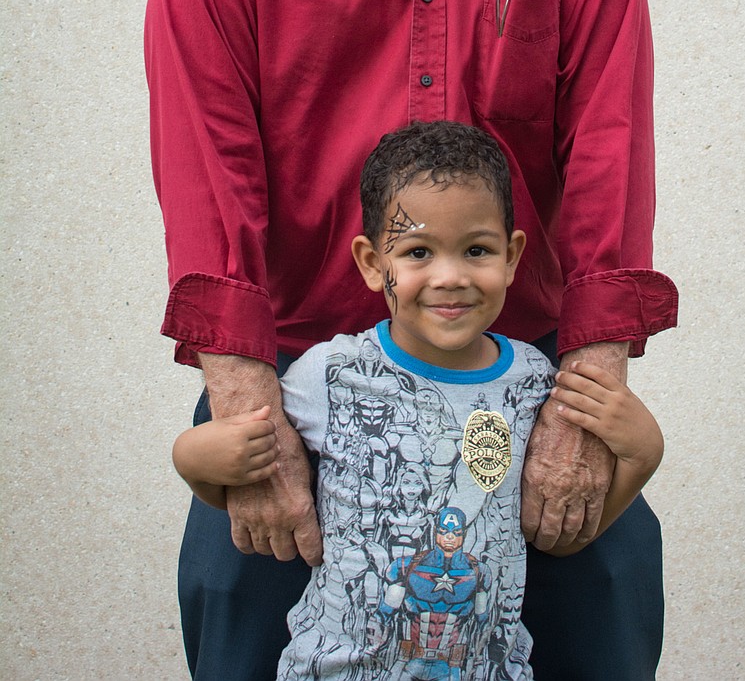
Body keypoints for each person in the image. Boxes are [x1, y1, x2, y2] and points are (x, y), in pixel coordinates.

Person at [145, 0, 678, 681]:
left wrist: (587, 401)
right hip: (290, 373)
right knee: (245, 630)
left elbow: (610, 146)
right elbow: (207, 146)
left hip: (513, 373)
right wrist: (245, 400)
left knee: (607, 609)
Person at [171, 122, 665, 680]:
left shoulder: (532, 385)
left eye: (476, 250)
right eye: (418, 252)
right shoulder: (330, 376)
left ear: (512, 256)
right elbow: (241, 474)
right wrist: (192, 459)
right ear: (372, 263)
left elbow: (567, 529)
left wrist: (643, 455)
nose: (449, 277)